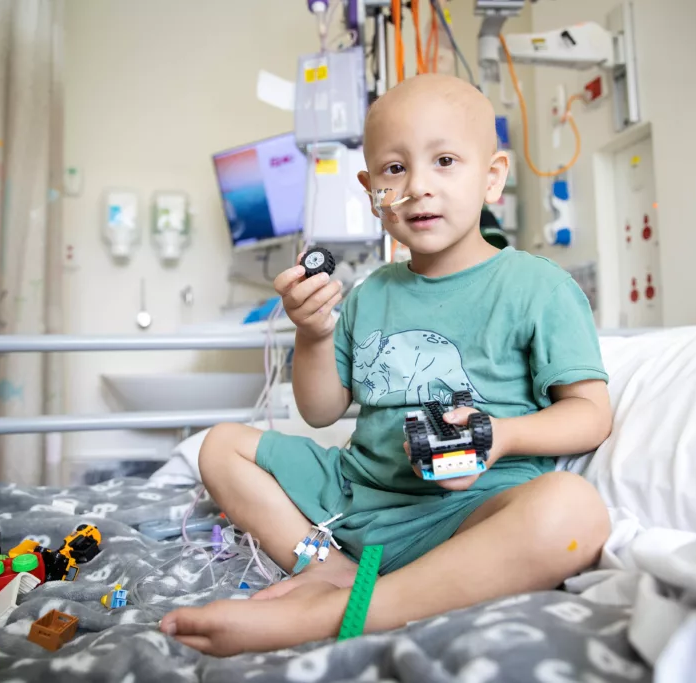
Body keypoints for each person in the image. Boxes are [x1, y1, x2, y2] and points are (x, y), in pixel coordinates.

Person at [159, 73, 612, 657]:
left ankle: (345, 611)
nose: (419, 186)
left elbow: (590, 414)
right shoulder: (370, 294)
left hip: (467, 513)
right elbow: (320, 412)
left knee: (573, 512)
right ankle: (327, 569)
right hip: (355, 500)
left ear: (492, 177)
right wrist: (314, 333)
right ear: (370, 188)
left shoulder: (538, 287)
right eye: (395, 169)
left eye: (445, 160)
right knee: (219, 445)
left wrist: (500, 436)